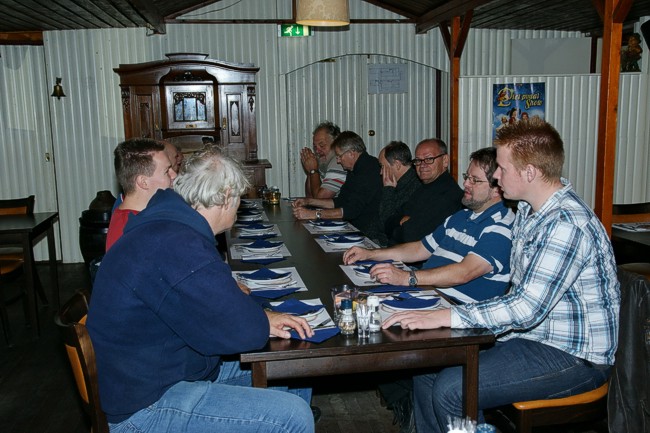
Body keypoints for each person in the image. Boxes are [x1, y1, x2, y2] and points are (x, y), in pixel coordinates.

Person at [383, 119, 620, 433]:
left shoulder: (565, 224)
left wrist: (445, 316)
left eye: (503, 168)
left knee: (452, 390)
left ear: (529, 172)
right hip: (533, 338)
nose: (496, 175)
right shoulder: (529, 211)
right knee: (427, 365)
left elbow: (526, 308)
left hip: (575, 356)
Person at [87, 151, 315, 433]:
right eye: (239, 199)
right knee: (293, 416)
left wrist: (262, 318)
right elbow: (241, 331)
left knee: (294, 370)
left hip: (162, 371)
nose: (239, 207)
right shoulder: (179, 243)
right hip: (145, 407)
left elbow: (219, 307)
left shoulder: (170, 226)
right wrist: (260, 320)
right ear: (227, 196)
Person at [344, 146, 514, 302]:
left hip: (454, 308)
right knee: (351, 297)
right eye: (467, 177)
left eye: (475, 180)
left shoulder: (502, 226)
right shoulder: (461, 216)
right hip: (427, 294)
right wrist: (370, 254)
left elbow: (464, 272)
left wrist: (407, 278)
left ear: (497, 188)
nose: (465, 184)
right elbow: (420, 248)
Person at [292, 131, 383, 236]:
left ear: (352, 153)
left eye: (339, 156)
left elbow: (350, 211)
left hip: (369, 234)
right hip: (355, 227)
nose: (338, 161)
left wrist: (314, 214)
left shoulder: (369, 169)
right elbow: (340, 201)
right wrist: (308, 201)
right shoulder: (355, 168)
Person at [385, 138, 463, 245]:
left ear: (445, 160)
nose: (422, 165)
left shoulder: (448, 195)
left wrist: (401, 225)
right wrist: (400, 221)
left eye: (429, 159)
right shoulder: (422, 189)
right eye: (418, 160)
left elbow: (409, 236)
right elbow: (388, 223)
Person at [105, 138, 177, 251]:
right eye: (166, 171)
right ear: (143, 182)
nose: (174, 175)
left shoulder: (139, 216)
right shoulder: (134, 229)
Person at [374, 141, 421, 246]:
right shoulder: (400, 182)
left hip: (394, 246)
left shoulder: (415, 186)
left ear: (397, 165)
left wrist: (388, 189)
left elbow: (385, 223)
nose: (381, 172)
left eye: (382, 166)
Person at [300, 121, 346, 198]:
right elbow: (310, 197)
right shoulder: (324, 162)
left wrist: (313, 170)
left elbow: (320, 199)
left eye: (322, 145)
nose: (317, 151)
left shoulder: (338, 162)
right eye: (315, 147)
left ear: (336, 144)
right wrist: (310, 170)